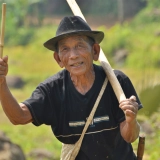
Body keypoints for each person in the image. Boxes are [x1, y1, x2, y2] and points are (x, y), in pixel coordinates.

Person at [0, 16, 142, 160]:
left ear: (95, 51)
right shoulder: (52, 90)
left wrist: (131, 120)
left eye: (79, 46)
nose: (73, 55)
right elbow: (19, 116)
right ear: (58, 59)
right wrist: (2, 84)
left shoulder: (116, 82)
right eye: (65, 49)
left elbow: (130, 136)